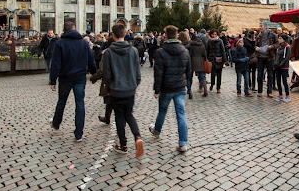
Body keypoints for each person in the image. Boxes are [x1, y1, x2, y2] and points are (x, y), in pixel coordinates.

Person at [49, 22, 97, 143]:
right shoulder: (83, 43)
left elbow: (55, 64)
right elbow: (91, 60)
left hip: (65, 78)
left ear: (64, 30)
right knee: (80, 103)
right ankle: (79, 133)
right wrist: (94, 74)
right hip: (80, 77)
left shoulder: (60, 43)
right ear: (75, 29)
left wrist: (53, 80)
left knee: (62, 101)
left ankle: (56, 123)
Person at [102, 24, 144, 156]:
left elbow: (107, 74)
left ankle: (123, 144)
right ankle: (137, 137)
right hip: (130, 88)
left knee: (119, 116)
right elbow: (137, 72)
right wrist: (135, 84)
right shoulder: (133, 51)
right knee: (129, 114)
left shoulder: (108, 52)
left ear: (113, 35)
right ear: (125, 34)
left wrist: (109, 87)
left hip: (116, 89)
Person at [150, 25, 192, 152]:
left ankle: (157, 130)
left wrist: (157, 90)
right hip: (180, 87)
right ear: (177, 35)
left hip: (166, 88)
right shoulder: (185, 51)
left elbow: (158, 73)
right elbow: (189, 71)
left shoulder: (161, 52)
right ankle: (183, 143)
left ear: (166, 36)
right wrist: (186, 84)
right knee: (181, 114)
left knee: (162, 111)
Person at [256, 22, 277, 98]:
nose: (260, 27)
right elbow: (256, 44)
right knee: (259, 75)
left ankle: (269, 91)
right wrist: (256, 48)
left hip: (269, 57)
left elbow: (277, 44)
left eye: (261, 26)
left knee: (270, 75)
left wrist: (271, 46)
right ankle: (260, 91)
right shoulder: (258, 36)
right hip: (261, 56)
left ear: (265, 27)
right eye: (259, 26)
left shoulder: (272, 35)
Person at [206, 29, 227, 93]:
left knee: (219, 74)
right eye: (213, 34)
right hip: (212, 60)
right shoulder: (209, 41)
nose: (214, 35)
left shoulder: (220, 41)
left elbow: (223, 51)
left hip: (219, 59)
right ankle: (212, 84)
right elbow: (207, 51)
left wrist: (224, 60)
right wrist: (206, 59)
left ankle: (218, 88)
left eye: (215, 34)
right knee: (212, 74)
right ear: (211, 35)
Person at [188, 33, 208, 97]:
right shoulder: (202, 45)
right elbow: (204, 54)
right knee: (202, 76)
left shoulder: (191, 45)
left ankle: (189, 90)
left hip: (191, 61)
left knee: (189, 77)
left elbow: (189, 54)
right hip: (200, 61)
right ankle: (205, 90)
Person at [274, 33, 291, 102]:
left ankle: (287, 95)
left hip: (284, 66)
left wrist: (281, 64)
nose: (279, 39)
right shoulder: (279, 47)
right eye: (279, 38)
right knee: (278, 81)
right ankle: (280, 94)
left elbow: (287, 57)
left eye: (280, 38)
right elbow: (277, 56)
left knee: (284, 81)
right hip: (278, 66)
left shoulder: (287, 47)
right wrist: (276, 64)